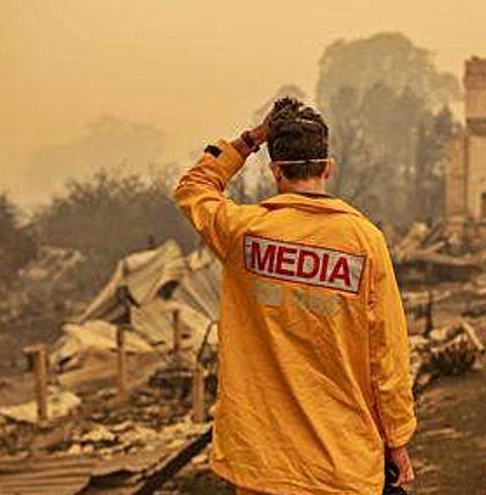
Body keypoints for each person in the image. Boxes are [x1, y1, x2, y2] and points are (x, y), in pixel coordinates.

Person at [174, 97, 415, 494]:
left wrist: (251, 138)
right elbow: (387, 353)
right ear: (328, 167)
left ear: (274, 171)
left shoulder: (243, 232)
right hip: (344, 462)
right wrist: (397, 438)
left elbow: (193, 187)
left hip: (263, 465)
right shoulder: (364, 241)